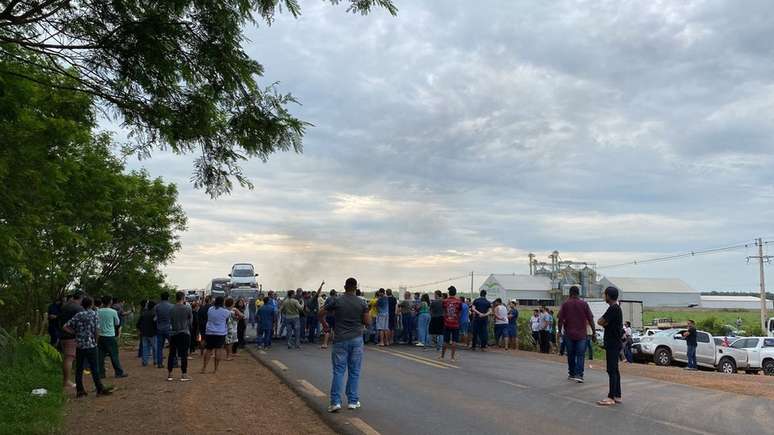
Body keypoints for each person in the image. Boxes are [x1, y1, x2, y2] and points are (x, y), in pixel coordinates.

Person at [319, 277, 370, 413]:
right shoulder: (362, 303)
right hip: (356, 339)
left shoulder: (337, 301)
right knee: (354, 371)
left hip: (340, 339)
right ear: (356, 288)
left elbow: (321, 313)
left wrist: (325, 324)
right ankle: (353, 401)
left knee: (339, 371)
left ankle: (335, 402)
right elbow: (368, 322)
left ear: (345, 287)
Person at [62, 297, 113, 398]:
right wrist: (96, 341)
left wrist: (75, 333)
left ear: (82, 304)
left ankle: (80, 391)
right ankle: (99, 388)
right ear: (91, 304)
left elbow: (65, 326)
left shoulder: (79, 315)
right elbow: (97, 330)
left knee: (79, 368)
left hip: (80, 345)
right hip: (91, 344)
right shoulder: (94, 314)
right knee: (94, 368)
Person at [557, 285, 594, 383]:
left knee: (571, 354)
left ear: (570, 293)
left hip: (569, 334)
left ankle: (572, 373)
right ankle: (579, 375)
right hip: (581, 334)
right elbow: (590, 318)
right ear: (578, 293)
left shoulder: (565, 304)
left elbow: (560, 319)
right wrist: (593, 332)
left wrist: (559, 331)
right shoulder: (584, 304)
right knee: (581, 355)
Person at [597, 286, 623, 406]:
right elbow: (604, 322)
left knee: (611, 370)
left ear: (608, 296)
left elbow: (600, 321)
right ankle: (617, 395)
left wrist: (605, 323)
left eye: (604, 294)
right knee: (615, 370)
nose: (604, 296)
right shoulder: (616, 308)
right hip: (615, 342)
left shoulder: (613, 309)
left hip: (612, 343)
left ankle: (611, 396)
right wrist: (606, 323)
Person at [59, 291, 85, 388]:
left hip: (62, 335)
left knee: (68, 357)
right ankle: (66, 381)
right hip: (71, 336)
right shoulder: (78, 308)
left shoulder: (65, 306)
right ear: (81, 298)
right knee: (69, 358)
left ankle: (67, 380)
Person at [97, 295, 127, 379]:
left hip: (100, 335)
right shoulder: (113, 311)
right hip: (110, 335)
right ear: (110, 302)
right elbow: (117, 322)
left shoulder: (98, 311)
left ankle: (101, 373)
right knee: (114, 354)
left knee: (100, 356)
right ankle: (118, 372)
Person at [168, 291, 193, 381]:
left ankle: (170, 374)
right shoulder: (187, 308)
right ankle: (184, 374)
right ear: (183, 298)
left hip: (174, 333)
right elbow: (190, 322)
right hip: (184, 333)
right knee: (183, 354)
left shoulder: (171, 309)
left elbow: (169, 321)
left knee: (172, 353)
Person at [201, 296, 229, 374]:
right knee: (218, 349)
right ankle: (215, 369)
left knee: (208, 350)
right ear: (222, 302)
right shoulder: (225, 311)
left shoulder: (210, 309)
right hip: (220, 333)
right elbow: (227, 319)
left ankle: (204, 368)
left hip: (209, 332)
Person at [440, 286, 462, 361]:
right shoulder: (459, 301)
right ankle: (452, 357)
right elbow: (460, 312)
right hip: (455, 323)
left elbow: (444, 311)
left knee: (445, 340)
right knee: (454, 341)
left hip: (447, 323)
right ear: (455, 293)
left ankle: (442, 356)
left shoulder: (445, 301)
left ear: (449, 293)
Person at [154, 291, 174, 368]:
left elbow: (155, 318)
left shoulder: (157, 306)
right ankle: (173, 362)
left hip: (159, 328)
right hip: (169, 328)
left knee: (159, 347)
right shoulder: (171, 306)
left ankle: (159, 363)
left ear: (161, 297)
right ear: (168, 298)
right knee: (172, 346)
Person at [137, 301, 157, 366]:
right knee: (155, 347)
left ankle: (145, 362)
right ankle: (155, 360)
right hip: (152, 333)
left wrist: (140, 330)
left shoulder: (143, 314)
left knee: (145, 348)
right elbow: (155, 324)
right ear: (154, 307)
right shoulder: (154, 314)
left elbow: (138, 324)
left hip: (144, 333)